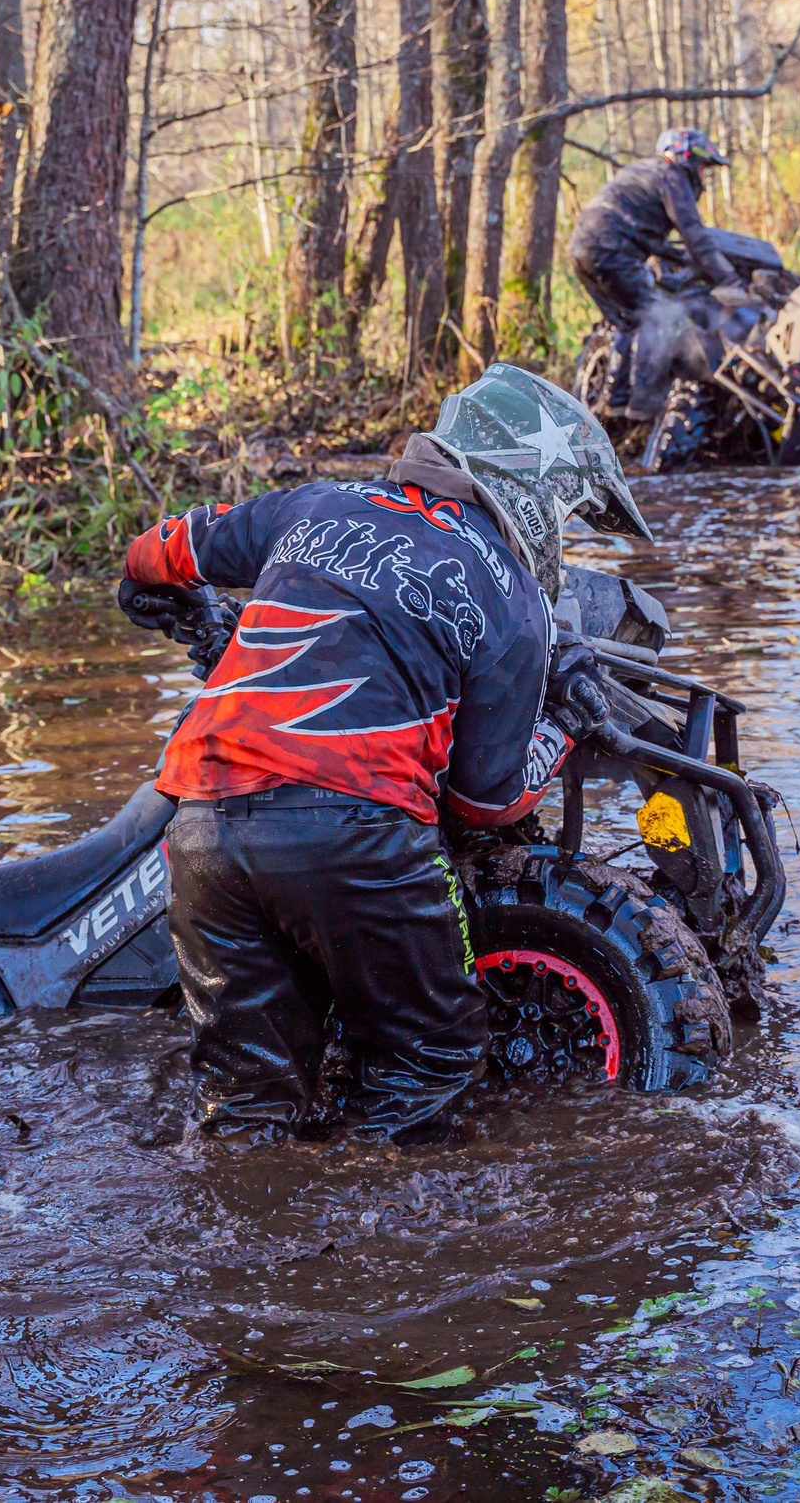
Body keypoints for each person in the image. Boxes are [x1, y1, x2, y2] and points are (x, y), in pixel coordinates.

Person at [118, 364, 650, 1147]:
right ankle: (378, 1256)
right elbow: (486, 799)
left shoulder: (317, 502)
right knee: (428, 1063)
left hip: (199, 829)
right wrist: (563, 720)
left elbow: (157, 552)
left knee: (247, 1105)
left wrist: (175, 595)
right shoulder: (511, 595)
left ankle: (250, 1243)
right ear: (532, 483)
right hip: (353, 831)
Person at [568, 127, 742, 420]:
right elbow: (695, 236)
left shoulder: (642, 171)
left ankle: (615, 402)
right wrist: (729, 280)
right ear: (686, 158)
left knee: (628, 322)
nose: (702, 176)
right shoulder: (671, 177)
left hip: (583, 250)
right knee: (660, 315)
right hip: (613, 252)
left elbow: (642, 231)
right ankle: (644, 407)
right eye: (702, 167)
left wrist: (678, 256)